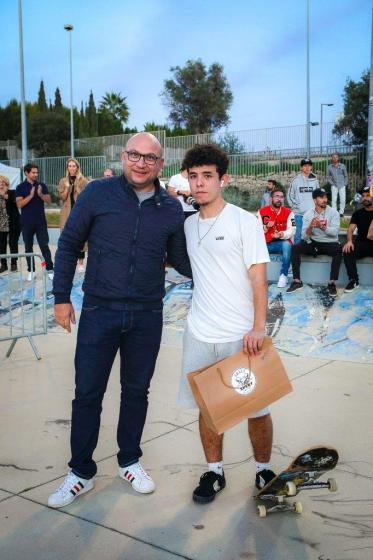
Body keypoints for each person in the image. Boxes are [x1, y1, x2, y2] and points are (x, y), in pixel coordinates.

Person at [48, 133, 192, 508]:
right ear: (124, 156)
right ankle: (81, 472)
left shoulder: (170, 207)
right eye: (134, 155)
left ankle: (129, 460)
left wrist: (229, 247)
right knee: (88, 394)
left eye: (150, 158)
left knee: (136, 392)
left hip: (147, 314)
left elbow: (182, 261)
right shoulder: (98, 194)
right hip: (99, 311)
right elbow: (68, 245)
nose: (140, 163)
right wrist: (61, 298)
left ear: (161, 165)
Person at [178, 143, 276, 504]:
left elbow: (258, 279)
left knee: (257, 408)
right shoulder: (187, 225)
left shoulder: (244, 221)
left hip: (241, 335)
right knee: (208, 409)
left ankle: (263, 469)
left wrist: (258, 327)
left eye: (207, 176)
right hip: (200, 333)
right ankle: (214, 472)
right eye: (194, 176)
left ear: (223, 179)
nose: (200, 183)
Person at [286, 188, 341, 297]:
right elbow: (304, 236)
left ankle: (331, 283)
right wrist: (311, 226)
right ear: (315, 200)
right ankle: (297, 281)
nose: (325, 199)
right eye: (322, 197)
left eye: (325, 197)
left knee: (339, 250)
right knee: (295, 248)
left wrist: (322, 227)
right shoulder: (308, 214)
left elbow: (334, 233)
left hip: (329, 242)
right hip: (313, 242)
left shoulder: (333, 212)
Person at [15, 163, 54, 281]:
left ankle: (50, 270)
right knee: (28, 247)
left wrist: (40, 194)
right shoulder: (20, 187)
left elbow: (49, 201)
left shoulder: (41, 185)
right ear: (26, 173)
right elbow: (19, 204)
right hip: (26, 222)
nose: (36, 174)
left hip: (40, 221)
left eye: (37, 172)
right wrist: (31, 195)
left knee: (44, 246)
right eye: (33, 172)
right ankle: (31, 271)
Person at [258, 188, 295, 288]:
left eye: (282, 197)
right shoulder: (261, 212)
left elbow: (292, 230)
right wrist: (265, 227)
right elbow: (255, 230)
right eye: (277, 196)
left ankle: (283, 275)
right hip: (266, 244)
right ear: (271, 199)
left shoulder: (289, 213)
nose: (279, 199)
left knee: (287, 245)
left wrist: (281, 234)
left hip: (281, 243)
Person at [58, 158, 88, 273]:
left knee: (81, 236)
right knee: (67, 236)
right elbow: (62, 198)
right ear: (67, 168)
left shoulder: (83, 180)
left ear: (77, 167)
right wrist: (67, 187)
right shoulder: (63, 181)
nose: (71, 168)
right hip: (67, 212)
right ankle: (71, 260)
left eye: (73, 166)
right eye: (70, 166)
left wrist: (78, 189)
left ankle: (81, 262)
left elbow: (86, 198)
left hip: (80, 211)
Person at [343, 186, 373, 292]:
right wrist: (350, 241)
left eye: (368, 195)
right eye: (363, 196)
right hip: (361, 243)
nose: (365, 198)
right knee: (348, 249)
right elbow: (351, 229)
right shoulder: (358, 213)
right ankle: (354, 280)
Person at [287, 158, 319, 244]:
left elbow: (318, 196)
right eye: (305, 166)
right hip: (298, 214)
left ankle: (310, 253)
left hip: (311, 214)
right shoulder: (295, 180)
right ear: (301, 168)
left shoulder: (315, 180)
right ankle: (297, 255)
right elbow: (290, 195)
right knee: (297, 236)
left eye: (309, 165)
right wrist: (296, 206)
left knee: (311, 235)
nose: (307, 168)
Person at [0, 175, 21, 273]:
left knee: (13, 243)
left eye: (2, 182)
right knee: (1, 245)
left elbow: (16, 204)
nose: (1, 184)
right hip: (1, 223)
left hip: (13, 223)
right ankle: (3, 264)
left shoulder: (13, 193)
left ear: (6, 183)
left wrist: (4, 195)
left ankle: (14, 264)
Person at [327, 153, 348, 217]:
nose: (335, 158)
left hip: (342, 185)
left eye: (336, 157)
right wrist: (332, 183)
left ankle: (341, 212)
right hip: (334, 185)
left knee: (343, 199)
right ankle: (334, 213)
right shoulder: (329, 167)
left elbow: (346, 176)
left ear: (338, 158)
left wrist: (345, 184)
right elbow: (328, 177)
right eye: (333, 157)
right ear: (332, 158)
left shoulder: (343, 166)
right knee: (334, 200)